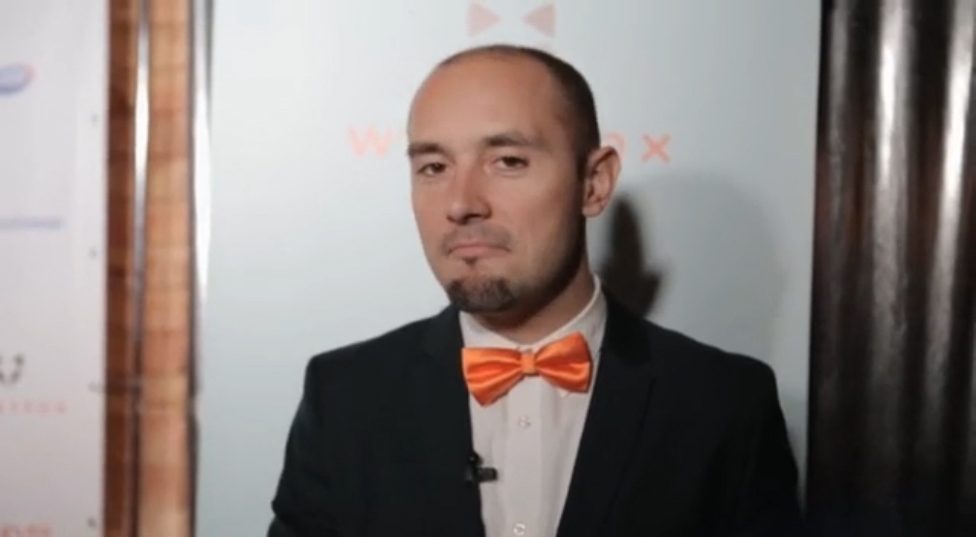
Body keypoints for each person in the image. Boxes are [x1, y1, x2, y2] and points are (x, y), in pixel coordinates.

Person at [267, 44, 801, 537]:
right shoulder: (344, 398)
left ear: (594, 183)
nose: (461, 203)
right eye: (434, 167)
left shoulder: (725, 404)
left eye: (508, 161)